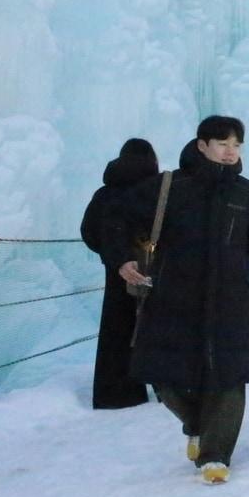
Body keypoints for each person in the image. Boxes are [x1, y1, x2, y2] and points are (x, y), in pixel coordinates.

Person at [106, 115, 249, 484]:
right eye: (222, 143)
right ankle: (195, 421)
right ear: (202, 145)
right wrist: (121, 257)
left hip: (229, 302)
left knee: (229, 376)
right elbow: (115, 217)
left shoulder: (245, 193)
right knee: (163, 376)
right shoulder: (169, 187)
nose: (230, 152)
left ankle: (215, 455)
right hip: (173, 298)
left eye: (236, 145)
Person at [80, 137, 158, 410]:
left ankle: (115, 394)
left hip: (117, 272)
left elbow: (88, 232)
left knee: (116, 329)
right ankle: (161, 385)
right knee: (155, 323)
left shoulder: (106, 192)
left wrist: (111, 256)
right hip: (154, 268)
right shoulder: (155, 190)